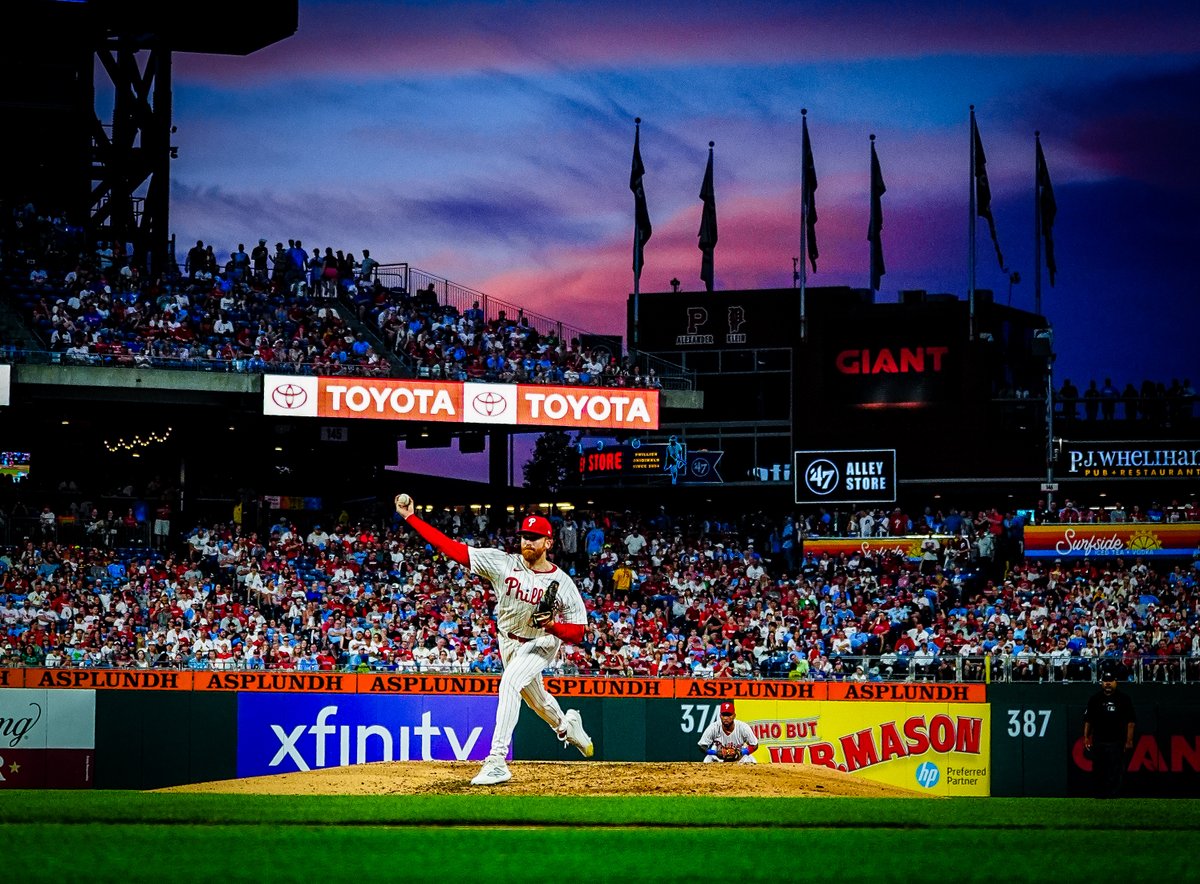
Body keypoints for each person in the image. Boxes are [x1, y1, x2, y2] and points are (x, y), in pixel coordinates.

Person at [394, 494, 593, 786]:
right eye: (525, 536)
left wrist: (552, 625)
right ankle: (567, 726)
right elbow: (452, 549)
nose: (528, 542)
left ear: (548, 543)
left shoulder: (561, 582)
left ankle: (497, 760)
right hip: (508, 641)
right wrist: (411, 517)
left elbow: (578, 631)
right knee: (536, 702)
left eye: (535, 538)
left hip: (541, 642)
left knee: (510, 683)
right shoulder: (503, 563)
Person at [1083, 662, 1136, 798]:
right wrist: (1086, 737)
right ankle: (1099, 793)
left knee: (1115, 769)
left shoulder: (1124, 699)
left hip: (1117, 740)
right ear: (1102, 682)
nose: (1107, 683)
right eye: (1105, 681)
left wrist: (1129, 740)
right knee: (1099, 768)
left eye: (1110, 681)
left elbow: (1131, 722)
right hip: (1099, 739)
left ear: (1115, 682)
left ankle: (1114, 794)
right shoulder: (1095, 699)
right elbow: (1088, 720)